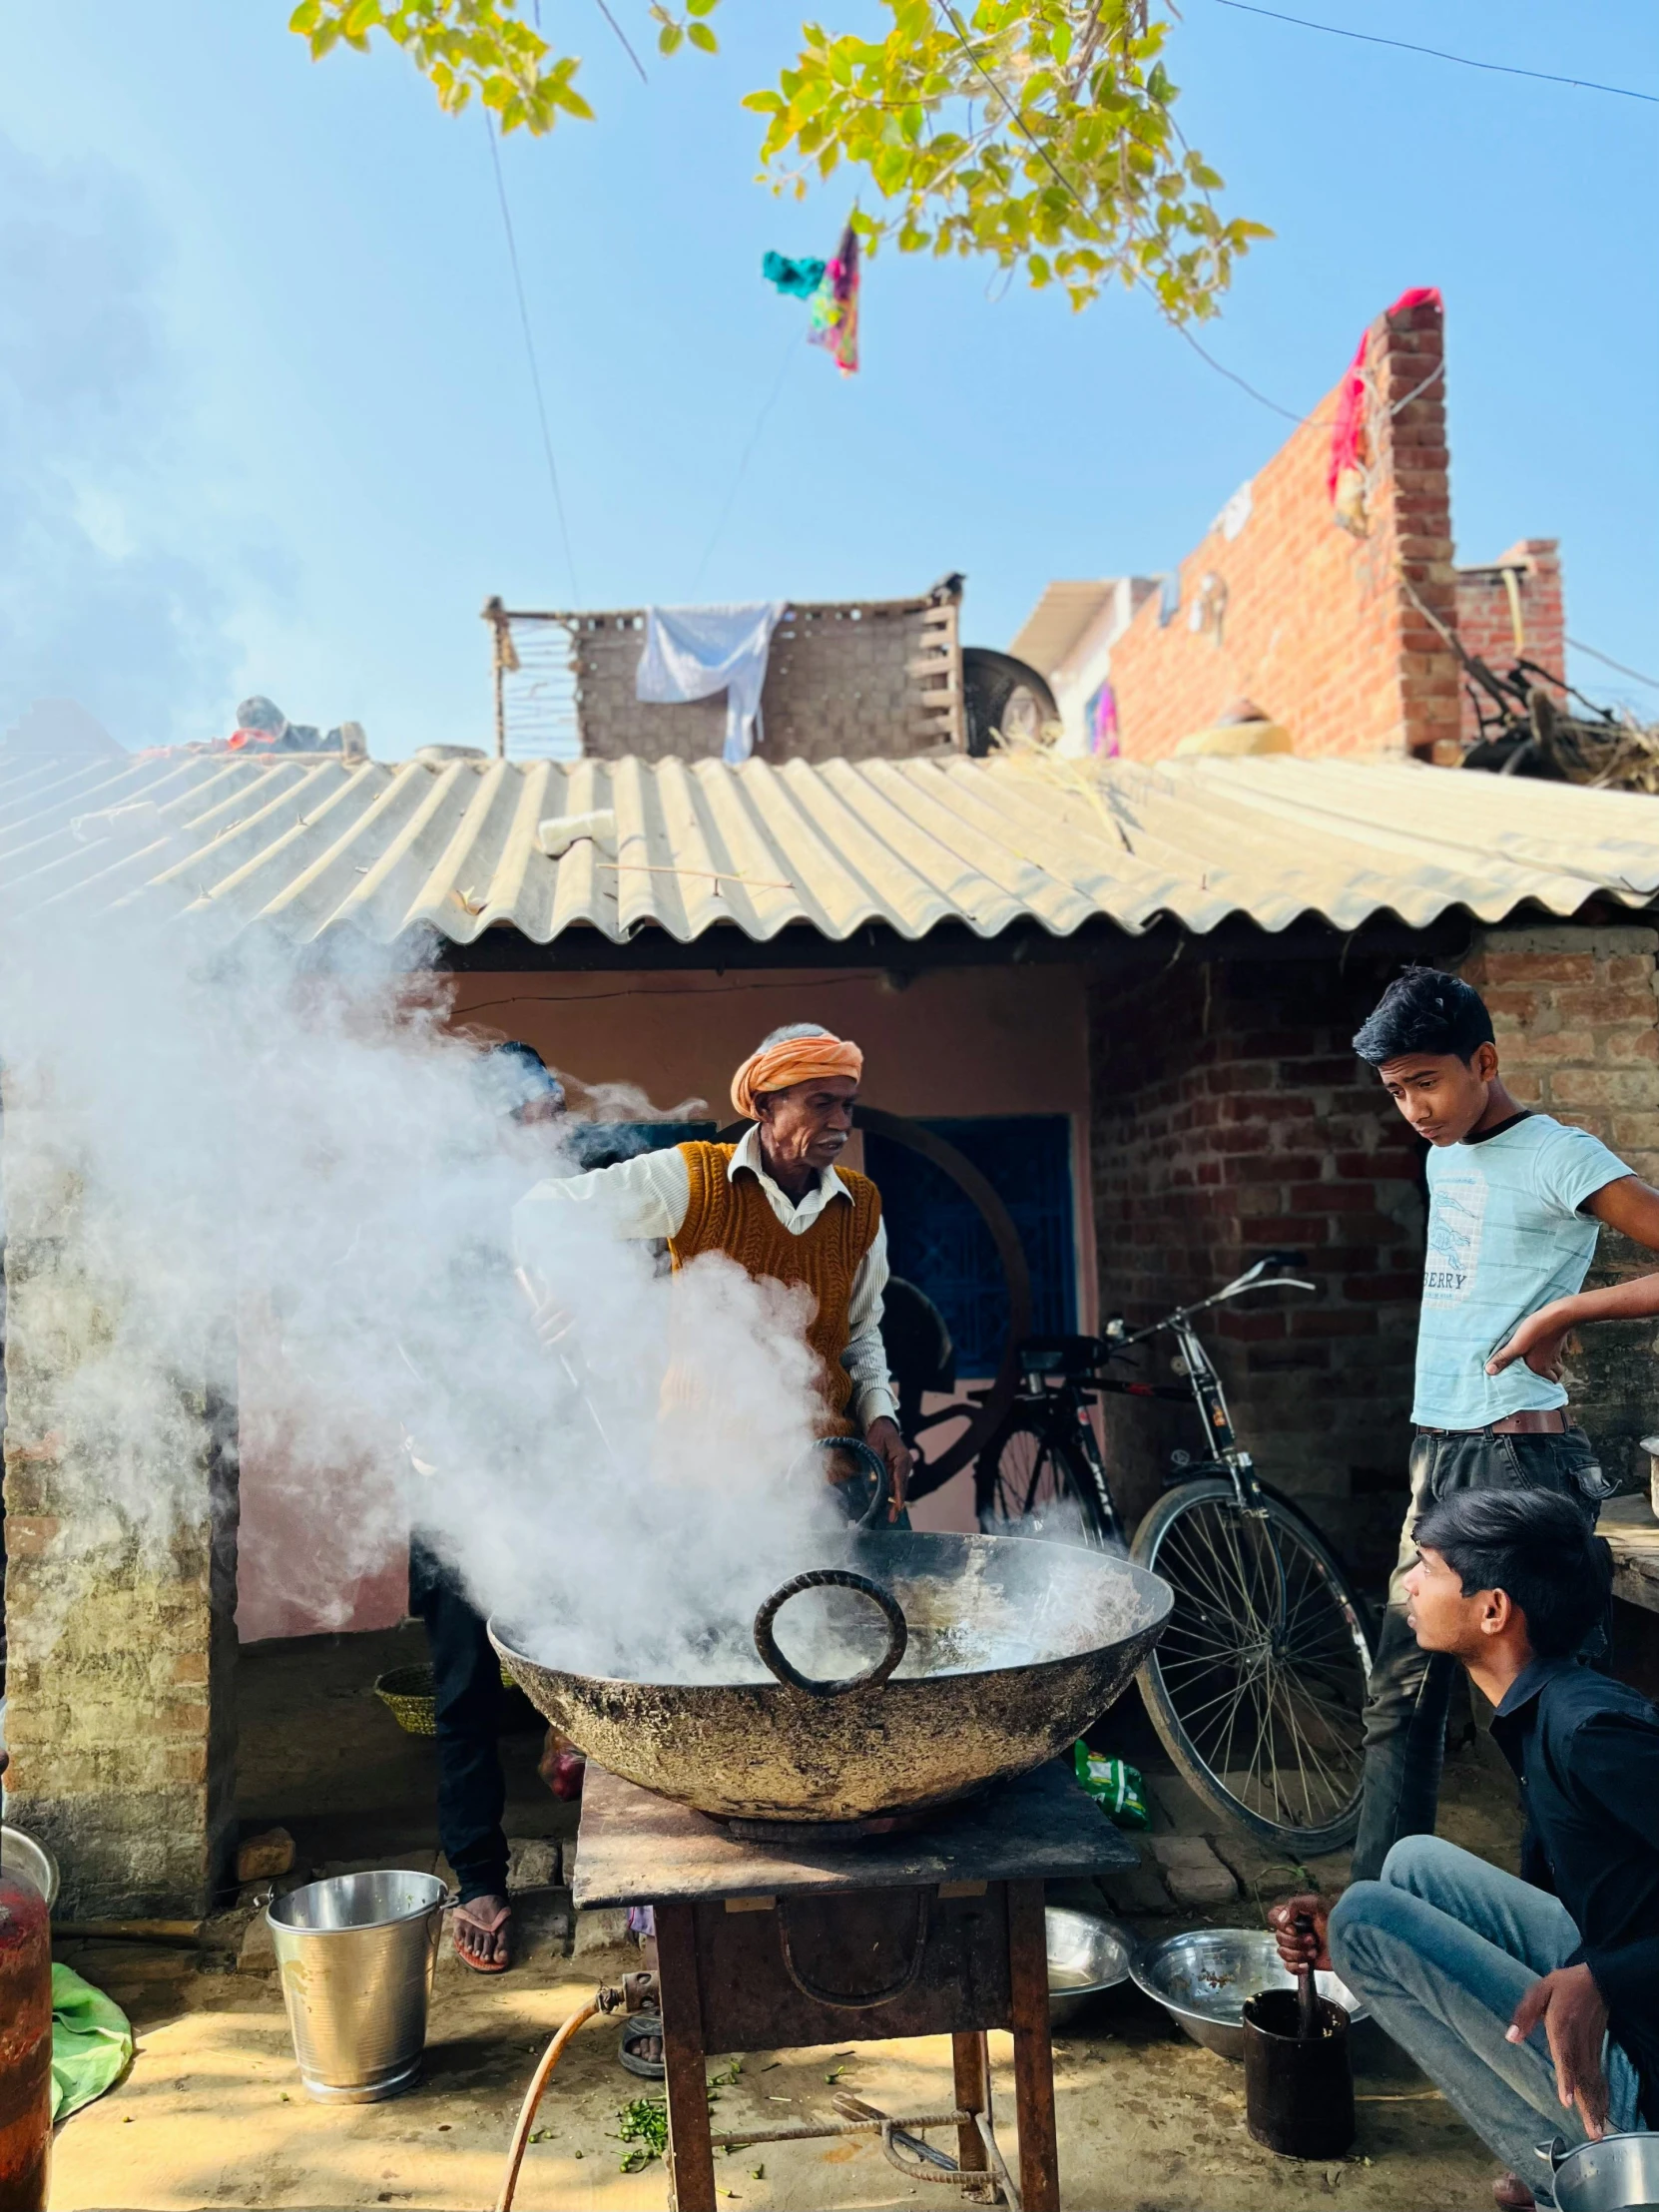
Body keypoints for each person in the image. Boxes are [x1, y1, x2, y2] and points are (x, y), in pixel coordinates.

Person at [1349, 965, 1659, 1882]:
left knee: (1553, 1711)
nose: (1414, 1108)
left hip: (1521, 1467)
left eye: (1428, 1082)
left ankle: (1587, 1943)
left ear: (1484, 1060)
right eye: (1397, 1091)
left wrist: (1565, 1314)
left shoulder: (1560, 1153)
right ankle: (1374, 1931)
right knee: (1399, 1697)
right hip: (1436, 1457)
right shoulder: (1444, 1154)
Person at [1272, 1488, 1657, 2212]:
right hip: (1633, 1998)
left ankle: (1572, 2180)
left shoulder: (1591, 1733)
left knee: (1367, 1918)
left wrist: (1602, 1977)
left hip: (1650, 2075)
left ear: (1493, 1610)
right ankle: (1554, 2158)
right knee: (1412, 1865)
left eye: (1429, 1567)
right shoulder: (1539, 1710)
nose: (1410, 1583)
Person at [514, 1022, 912, 1514]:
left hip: (829, 1482)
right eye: (820, 1103)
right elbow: (541, 1208)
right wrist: (587, 1290)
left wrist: (881, 1417)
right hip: (707, 1493)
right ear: (765, 1106)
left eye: (846, 1104)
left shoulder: (861, 1205)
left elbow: (860, 1333)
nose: (840, 1122)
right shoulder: (692, 1178)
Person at [408, 1040, 567, 1974]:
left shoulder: (565, 1213)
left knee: (614, 1666)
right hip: (456, 1487)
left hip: (562, 1486)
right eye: (540, 1114)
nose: (555, 1129)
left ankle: (634, 1882)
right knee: (463, 1696)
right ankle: (479, 1878)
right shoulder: (432, 1225)